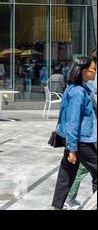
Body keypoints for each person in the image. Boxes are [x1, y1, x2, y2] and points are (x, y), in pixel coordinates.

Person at [52, 56, 97, 210]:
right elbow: (73, 121)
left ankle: (57, 207)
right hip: (80, 140)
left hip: (73, 139)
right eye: (93, 69)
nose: (95, 72)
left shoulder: (73, 88)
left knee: (66, 174)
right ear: (83, 71)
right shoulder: (78, 92)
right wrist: (72, 149)